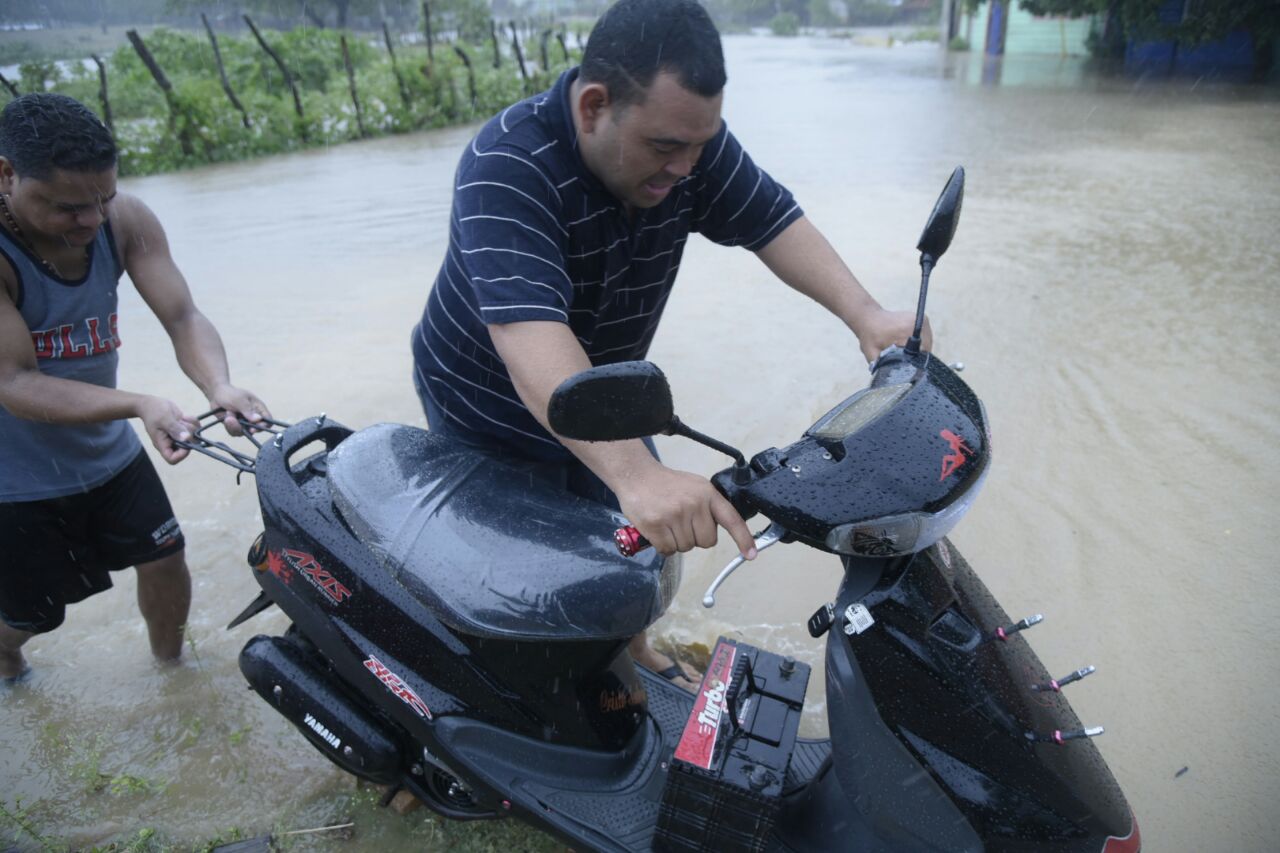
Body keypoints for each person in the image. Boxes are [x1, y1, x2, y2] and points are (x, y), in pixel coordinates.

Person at [411, 0, 929, 689]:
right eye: (665, 148)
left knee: (631, 554)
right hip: (487, 403)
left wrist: (868, 316)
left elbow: (772, 220)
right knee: (509, 577)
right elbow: (529, 336)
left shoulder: (688, 143)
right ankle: (460, 704)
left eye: (700, 145)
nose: (687, 168)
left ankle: (633, 655)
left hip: (604, 389)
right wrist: (634, 475)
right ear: (595, 106)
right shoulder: (508, 165)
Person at [0, 93, 270, 683]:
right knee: (33, 616)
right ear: (7, 175)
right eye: (68, 207)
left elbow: (182, 317)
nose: (92, 221)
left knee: (165, 558)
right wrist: (139, 405)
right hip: (13, 481)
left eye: (104, 199)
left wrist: (217, 384)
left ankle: (171, 678)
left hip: (107, 453)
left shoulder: (126, 221)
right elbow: (14, 383)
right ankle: (9, 666)